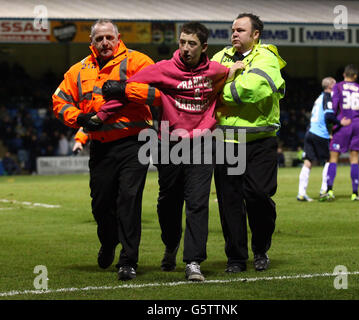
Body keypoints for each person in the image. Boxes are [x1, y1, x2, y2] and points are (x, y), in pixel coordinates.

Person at [96, 22, 244, 282]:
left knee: (197, 202)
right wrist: (100, 116)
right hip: (168, 143)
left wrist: (235, 69)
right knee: (168, 202)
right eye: (182, 42)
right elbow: (128, 91)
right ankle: (170, 244)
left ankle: (193, 262)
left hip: (202, 142)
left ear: (204, 47)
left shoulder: (214, 70)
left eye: (192, 44)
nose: (185, 48)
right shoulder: (163, 69)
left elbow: (227, 74)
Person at [52, 19, 157, 281]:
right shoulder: (78, 70)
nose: (105, 43)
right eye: (99, 39)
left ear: (118, 37)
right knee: (100, 204)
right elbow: (59, 100)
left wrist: (126, 90)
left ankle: (128, 261)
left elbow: (157, 91)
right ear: (91, 43)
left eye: (109, 37)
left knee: (129, 200)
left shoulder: (138, 61)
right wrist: (79, 119)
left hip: (135, 143)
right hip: (100, 146)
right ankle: (109, 241)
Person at [211, 13, 286, 273]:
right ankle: (236, 258)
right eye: (233, 30)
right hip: (226, 142)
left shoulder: (267, 57)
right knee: (229, 202)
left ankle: (261, 247)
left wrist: (224, 84)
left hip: (259, 141)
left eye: (241, 30)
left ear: (255, 34)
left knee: (258, 196)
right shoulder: (219, 58)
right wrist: (227, 78)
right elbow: (203, 85)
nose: (234, 34)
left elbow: (253, 89)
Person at [324, 64, 359, 201]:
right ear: (355, 76)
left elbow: (334, 107)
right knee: (354, 159)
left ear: (344, 75)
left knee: (333, 157)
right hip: (357, 125)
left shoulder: (338, 86)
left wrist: (331, 125)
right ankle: (355, 193)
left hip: (342, 123)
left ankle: (329, 191)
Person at [297, 77, 351, 202]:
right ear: (330, 86)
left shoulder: (319, 98)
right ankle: (324, 191)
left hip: (310, 131)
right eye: (335, 84)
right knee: (329, 160)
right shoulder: (328, 97)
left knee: (308, 162)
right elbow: (328, 116)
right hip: (319, 133)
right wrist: (340, 123)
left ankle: (301, 193)